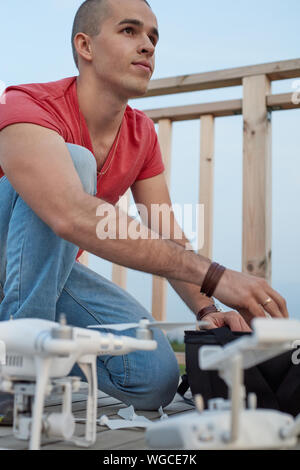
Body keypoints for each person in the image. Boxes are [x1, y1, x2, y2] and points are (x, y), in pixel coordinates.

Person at [0, 0, 288, 422]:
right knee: (76, 162)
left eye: (153, 36)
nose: (148, 46)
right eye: (130, 31)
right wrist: (219, 275)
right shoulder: (27, 106)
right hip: (9, 258)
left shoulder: (142, 134)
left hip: (39, 280)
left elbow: (167, 234)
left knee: (152, 377)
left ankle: (35, 351)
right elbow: (69, 214)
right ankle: (15, 375)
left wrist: (207, 309)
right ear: (86, 45)